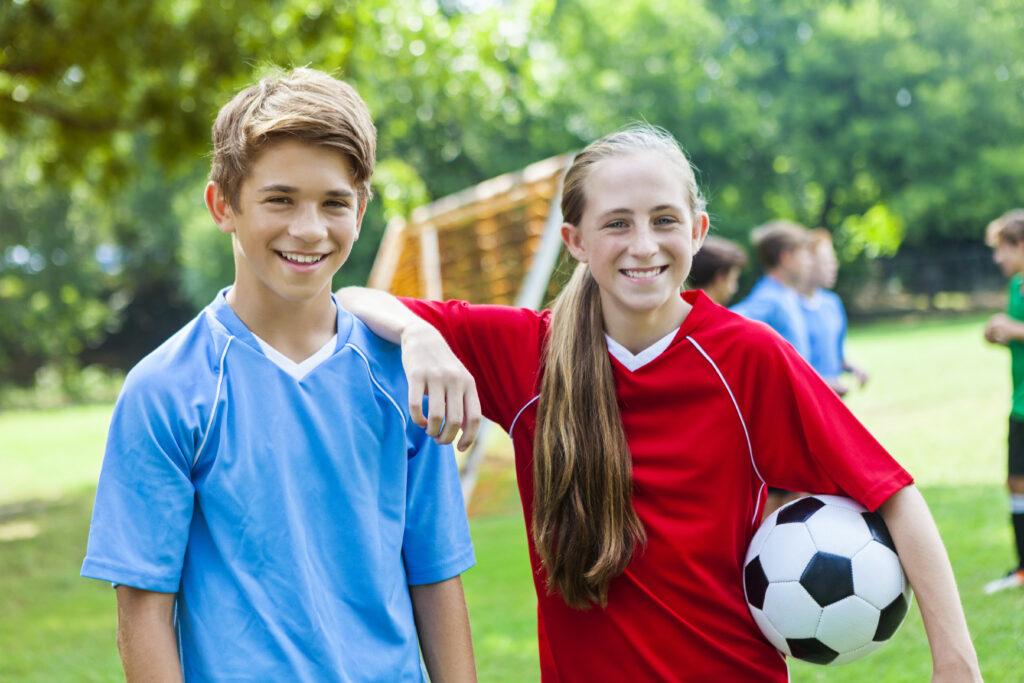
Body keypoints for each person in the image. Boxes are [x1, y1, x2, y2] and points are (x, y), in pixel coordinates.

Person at [339, 124, 981, 681]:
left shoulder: (747, 358)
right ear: (575, 242)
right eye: (616, 223)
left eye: (664, 220)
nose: (643, 244)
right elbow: (348, 302)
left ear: (697, 232)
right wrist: (421, 334)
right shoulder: (526, 352)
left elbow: (894, 495)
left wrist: (957, 663)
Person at [80, 68, 476, 682]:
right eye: (280, 199)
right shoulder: (166, 391)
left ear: (361, 209)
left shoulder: (405, 380)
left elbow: (435, 578)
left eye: (334, 203)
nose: (309, 229)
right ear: (223, 205)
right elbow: (143, 613)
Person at [983, 208, 1024, 594]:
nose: (998, 258)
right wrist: (1000, 334)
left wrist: (1013, 329)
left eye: (1003, 249)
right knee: (1015, 483)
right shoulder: (1016, 286)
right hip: (1020, 405)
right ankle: (1023, 567)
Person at [730, 220, 814, 360]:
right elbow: (729, 323)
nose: (809, 262)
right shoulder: (770, 298)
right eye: (804, 255)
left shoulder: (786, 294)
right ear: (786, 258)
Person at [800, 228, 869, 397]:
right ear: (806, 262)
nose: (833, 267)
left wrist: (853, 368)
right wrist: (824, 383)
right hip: (807, 400)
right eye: (826, 261)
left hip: (834, 402)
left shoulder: (832, 304)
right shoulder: (786, 307)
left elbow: (836, 356)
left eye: (833, 260)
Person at [686, 234, 747, 305]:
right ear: (720, 277)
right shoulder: (722, 316)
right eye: (733, 279)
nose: (735, 289)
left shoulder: (675, 311)